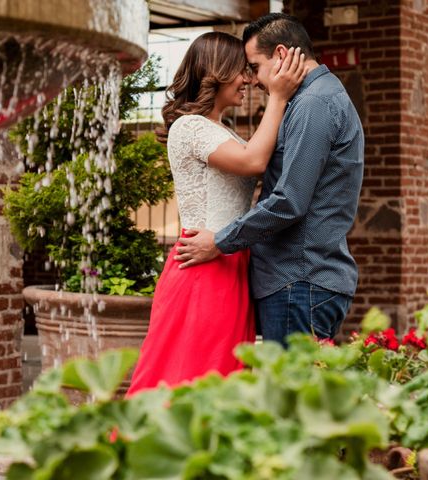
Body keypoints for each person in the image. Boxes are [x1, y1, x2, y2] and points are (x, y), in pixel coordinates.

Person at [126, 31, 307, 396]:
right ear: (216, 71)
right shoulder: (189, 127)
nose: (250, 79)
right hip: (203, 267)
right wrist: (278, 96)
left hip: (229, 260)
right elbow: (254, 159)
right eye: (242, 70)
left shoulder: (218, 129)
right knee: (191, 376)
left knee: (223, 379)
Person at [174, 13, 365, 347]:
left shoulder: (312, 104)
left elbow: (289, 201)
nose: (253, 80)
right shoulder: (312, 100)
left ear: (280, 55)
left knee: (289, 398)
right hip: (298, 282)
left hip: (299, 280)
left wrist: (219, 241)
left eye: (255, 66)